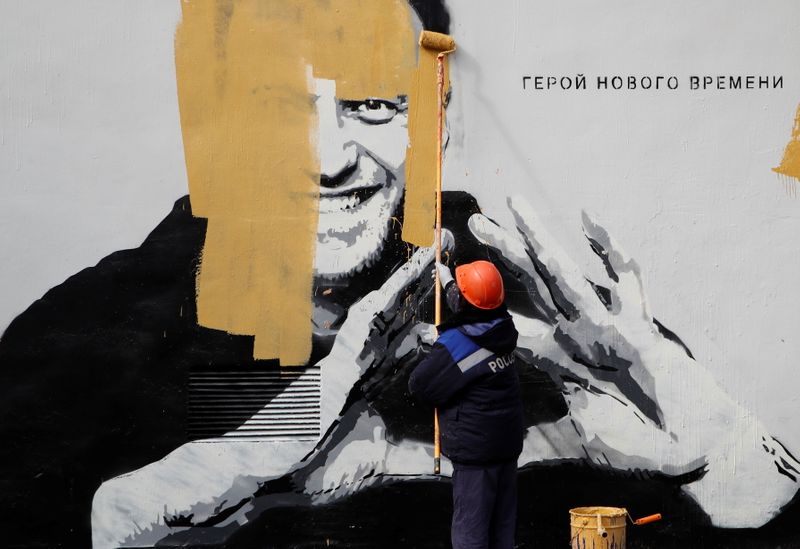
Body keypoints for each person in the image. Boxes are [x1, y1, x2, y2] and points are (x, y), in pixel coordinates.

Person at [1, 1, 798, 548]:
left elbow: (743, 501)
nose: (329, 156)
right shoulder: (86, 338)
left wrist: (726, 462)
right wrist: (265, 439)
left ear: (438, 118)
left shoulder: (548, 311)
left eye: (375, 103)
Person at [409, 260, 524, 549]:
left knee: (471, 534)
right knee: (502, 531)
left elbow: (421, 387)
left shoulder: (457, 344)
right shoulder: (504, 326)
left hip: (476, 457)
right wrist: (447, 281)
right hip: (506, 447)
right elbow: (473, 303)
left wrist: (441, 349)